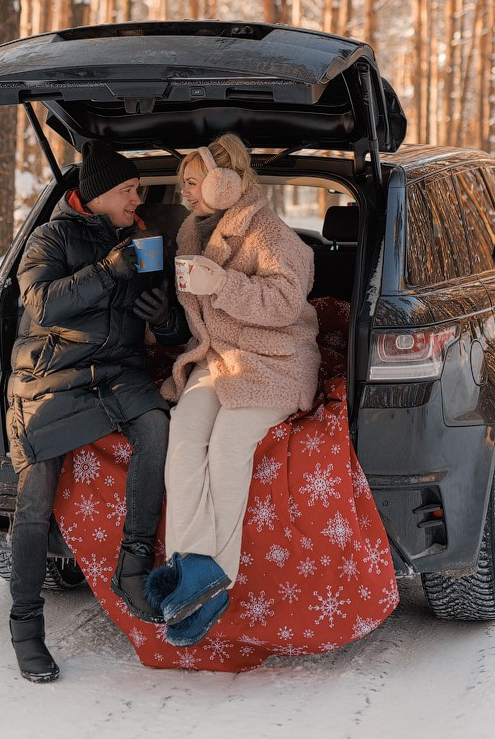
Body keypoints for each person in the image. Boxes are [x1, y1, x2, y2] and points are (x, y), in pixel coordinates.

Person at [6, 140, 189, 683]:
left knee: (156, 424)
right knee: (34, 497)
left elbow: (175, 325)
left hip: (117, 372)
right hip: (50, 376)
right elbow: (42, 304)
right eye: (131, 189)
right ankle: (25, 628)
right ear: (103, 194)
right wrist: (111, 271)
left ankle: (132, 567)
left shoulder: (143, 238)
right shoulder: (51, 237)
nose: (140, 197)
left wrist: (167, 320)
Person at [146, 133, 321, 646]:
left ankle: (210, 580)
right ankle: (189, 568)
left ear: (225, 184)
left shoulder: (271, 234)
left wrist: (221, 284)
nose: (185, 195)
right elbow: (195, 314)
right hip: (218, 360)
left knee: (226, 448)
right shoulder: (190, 233)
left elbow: (286, 303)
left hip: (273, 364)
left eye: (193, 183)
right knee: (184, 438)